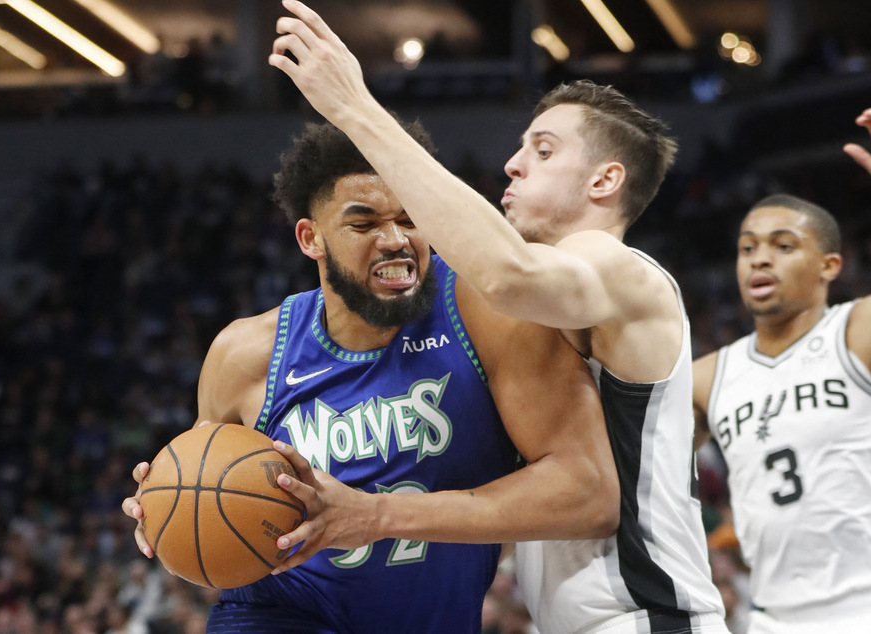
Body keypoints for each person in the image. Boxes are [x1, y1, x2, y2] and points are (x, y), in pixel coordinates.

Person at [267, 2, 728, 633]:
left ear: (604, 181)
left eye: (542, 150)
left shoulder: (620, 269)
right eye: (520, 147)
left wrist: (355, 108)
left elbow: (508, 275)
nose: (513, 164)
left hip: (645, 616)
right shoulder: (543, 312)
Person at [122, 120, 619, 633]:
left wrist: (375, 516)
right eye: (364, 225)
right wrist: (165, 506)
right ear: (310, 238)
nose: (395, 240)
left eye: (410, 218)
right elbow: (206, 489)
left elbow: (588, 492)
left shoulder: (489, 314)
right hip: (277, 613)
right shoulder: (247, 352)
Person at [691, 107, 871, 633]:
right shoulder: (710, 374)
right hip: (771, 618)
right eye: (747, 248)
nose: (759, 260)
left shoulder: (858, 329)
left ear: (829, 266)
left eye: (783, 246)